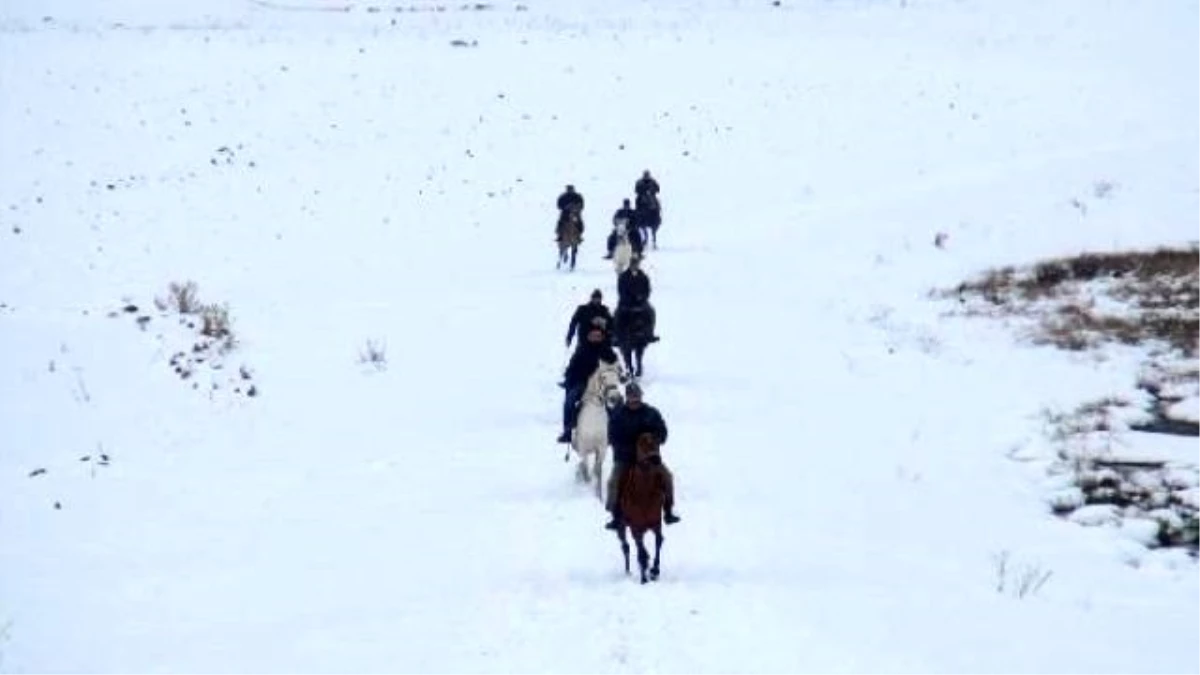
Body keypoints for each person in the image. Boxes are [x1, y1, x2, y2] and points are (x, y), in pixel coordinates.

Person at [605, 381, 679, 529]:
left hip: (649, 457)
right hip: (625, 458)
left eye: (637, 397)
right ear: (626, 398)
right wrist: (629, 448)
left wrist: (651, 441)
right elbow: (612, 437)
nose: (634, 400)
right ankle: (616, 515)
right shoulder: (618, 415)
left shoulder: (652, 413)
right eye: (631, 398)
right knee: (613, 481)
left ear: (641, 397)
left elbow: (663, 433)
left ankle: (668, 511)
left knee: (667, 476)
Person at [557, 324, 619, 443]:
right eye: (593, 335)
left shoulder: (607, 350)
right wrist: (569, 379)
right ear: (588, 336)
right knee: (569, 400)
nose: (596, 337)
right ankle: (568, 431)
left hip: (602, 384)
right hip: (582, 383)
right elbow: (572, 367)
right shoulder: (582, 350)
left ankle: (613, 432)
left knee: (615, 401)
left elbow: (615, 365)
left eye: (598, 335)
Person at [616, 256, 658, 342]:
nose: (635, 265)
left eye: (636, 264)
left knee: (651, 311)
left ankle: (650, 333)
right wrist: (628, 299)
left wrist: (642, 297)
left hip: (640, 302)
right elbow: (621, 290)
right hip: (626, 302)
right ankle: (616, 335)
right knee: (617, 313)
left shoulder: (643, 276)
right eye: (633, 263)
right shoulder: (623, 276)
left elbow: (647, 290)